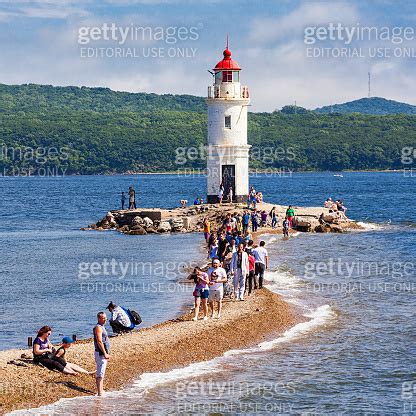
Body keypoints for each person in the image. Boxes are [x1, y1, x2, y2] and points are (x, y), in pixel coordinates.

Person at [94, 312, 110, 396]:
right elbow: (99, 341)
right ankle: (99, 392)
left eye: (105, 318)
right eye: (103, 318)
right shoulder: (98, 328)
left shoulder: (102, 327)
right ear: (99, 318)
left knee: (102, 372)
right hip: (100, 353)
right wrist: (104, 353)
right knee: (100, 373)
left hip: (102, 353)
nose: (105, 319)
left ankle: (101, 390)